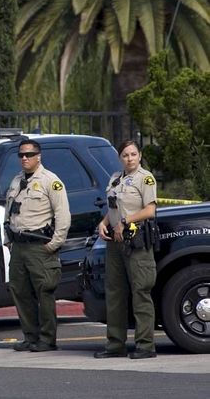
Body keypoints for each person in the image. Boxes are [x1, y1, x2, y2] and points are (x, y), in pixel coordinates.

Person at [94, 140, 158, 360]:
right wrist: (104, 223)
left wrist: (124, 221)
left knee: (141, 292)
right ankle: (115, 344)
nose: (129, 158)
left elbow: (149, 210)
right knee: (115, 294)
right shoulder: (115, 178)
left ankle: (145, 345)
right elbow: (112, 207)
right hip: (115, 243)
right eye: (125, 155)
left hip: (136, 240)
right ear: (120, 158)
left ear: (139, 156)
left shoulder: (145, 178)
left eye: (133, 154)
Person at [4, 139, 70, 352]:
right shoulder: (16, 181)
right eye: (21, 155)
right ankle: (30, 336)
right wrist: (8, 239)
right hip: (19, 246)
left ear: (38, 156)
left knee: (44, 292)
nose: (24, 158)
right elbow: (9, 211)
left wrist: (55, 243)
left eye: (29, 154)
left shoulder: (50, 181)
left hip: (39, 246)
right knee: (20, 291)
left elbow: (63, 215)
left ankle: (47, 339)